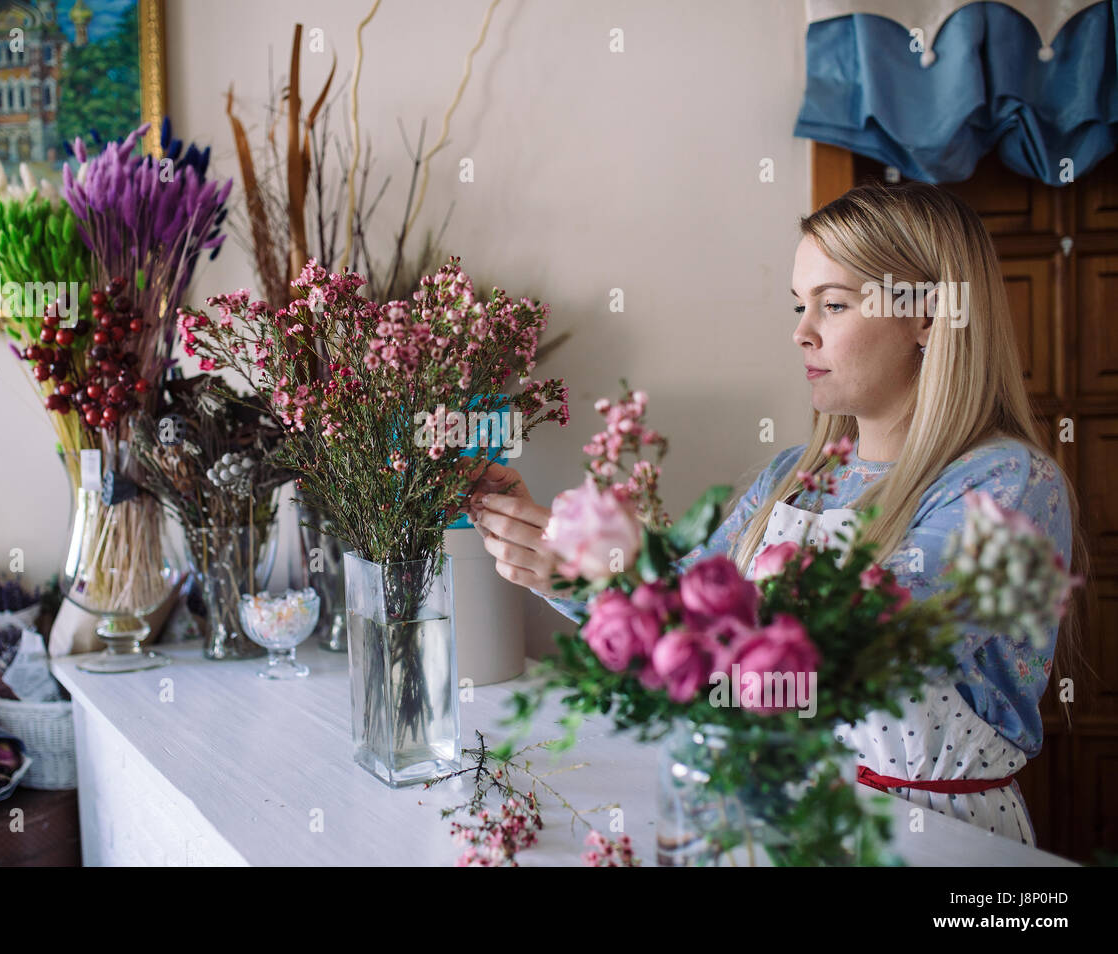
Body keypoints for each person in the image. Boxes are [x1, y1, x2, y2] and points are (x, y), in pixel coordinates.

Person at [461, 181, 1087, 847]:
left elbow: (850, 651)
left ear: (926, 317)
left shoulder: (1007, 485)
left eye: (834, 304)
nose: (801, 332)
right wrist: (564, 564)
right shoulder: (791, 479)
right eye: (799, 305)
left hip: (935, 840)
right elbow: (687, 629)